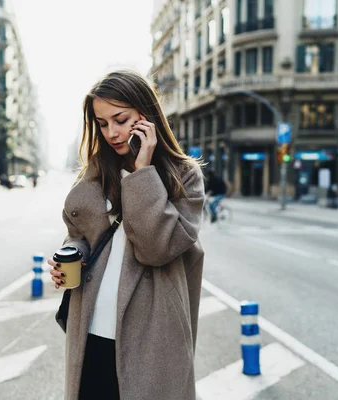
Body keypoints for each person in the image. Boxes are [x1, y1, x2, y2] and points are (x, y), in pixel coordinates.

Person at [47, 69, 205, 400]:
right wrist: (72, 256)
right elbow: (79, 234)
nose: (112, 133)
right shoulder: (96, 172)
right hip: (90, 331)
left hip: (151, 339)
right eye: (102, 124)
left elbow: (155, 249)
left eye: (120, 119)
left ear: (145, 115)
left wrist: (142, 171)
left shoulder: (184, 177)